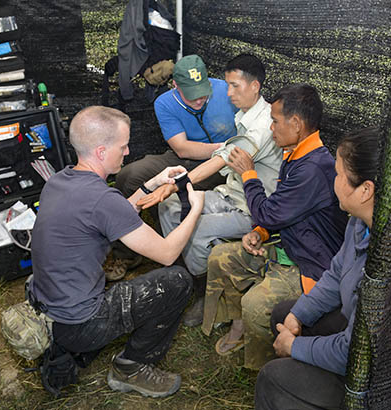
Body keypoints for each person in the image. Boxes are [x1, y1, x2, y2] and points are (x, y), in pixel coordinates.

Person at [28, 106, 205, 398]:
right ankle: (131, 367)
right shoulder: (101, 199)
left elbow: (112, 212)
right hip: (80, 323)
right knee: (178, 280)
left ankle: (69, 346)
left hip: (48, 309)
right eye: (122, 146)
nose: (127, 152)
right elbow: (167, 253)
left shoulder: (61, 180)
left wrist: (152, 183)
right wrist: (195, 209)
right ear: (100, 151)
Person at [203, 84, 349, 370]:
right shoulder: (296, 155)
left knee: (257, 305)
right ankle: (239, 328)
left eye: (274, 120)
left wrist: (248, 174)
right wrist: (261, 233)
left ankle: (271, 368)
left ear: (295, 124)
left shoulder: (312, 168)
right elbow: (282, 213)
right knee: (220, 258)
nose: (271, 128)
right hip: (289, 246)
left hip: (309, 264)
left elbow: (269, 213)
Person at [136, 53, 283, 327]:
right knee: (169, 207)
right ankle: (189, 276)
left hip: (253, 208)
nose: (228, 93)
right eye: (226, 85)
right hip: (231, 193)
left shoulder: (263, 125)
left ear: (255, 86)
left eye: (235, 86)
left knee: (196, 227)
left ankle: (206, 292)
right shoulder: (244, 115)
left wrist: (177, 184)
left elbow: (219, 160)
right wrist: (173, 190)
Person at [255, 127, 382, 410]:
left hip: (375, 378)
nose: (333, 182)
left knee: (272, 377)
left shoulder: (386, 265)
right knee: (284, 313)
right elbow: (336, 274)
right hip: (355, 336)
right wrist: (299, 314)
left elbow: (354, 352)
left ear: (365, 190)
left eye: (338, 175)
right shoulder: (358, 223)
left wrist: (294, 347)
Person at [114, 54, 238, 197]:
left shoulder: (226, 90)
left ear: (208, 83)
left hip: (226, 162)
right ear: (175, 85)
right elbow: (182, 149)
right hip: (188, 160)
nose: (198, 101)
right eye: (191, 95)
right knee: (129, 175)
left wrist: (230, 152)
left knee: (180, 194)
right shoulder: (164, 103)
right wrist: (226, 148)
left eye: (202, 94)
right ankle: (134, 215)